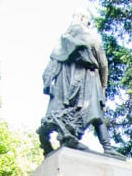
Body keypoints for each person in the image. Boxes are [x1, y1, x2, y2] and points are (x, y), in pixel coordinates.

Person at [37, 11, 118, 155]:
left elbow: (51, 65)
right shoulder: (91, 37)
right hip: (88, 79)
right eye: (88, 21)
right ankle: (107, 148)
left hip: (64, 82)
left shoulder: (62, 41)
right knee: (95, 113)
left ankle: (53, 141)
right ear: (83, 19)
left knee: (58, 113)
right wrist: (104, 86)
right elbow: (103, 64)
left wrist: (48, 81)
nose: (89, 24)